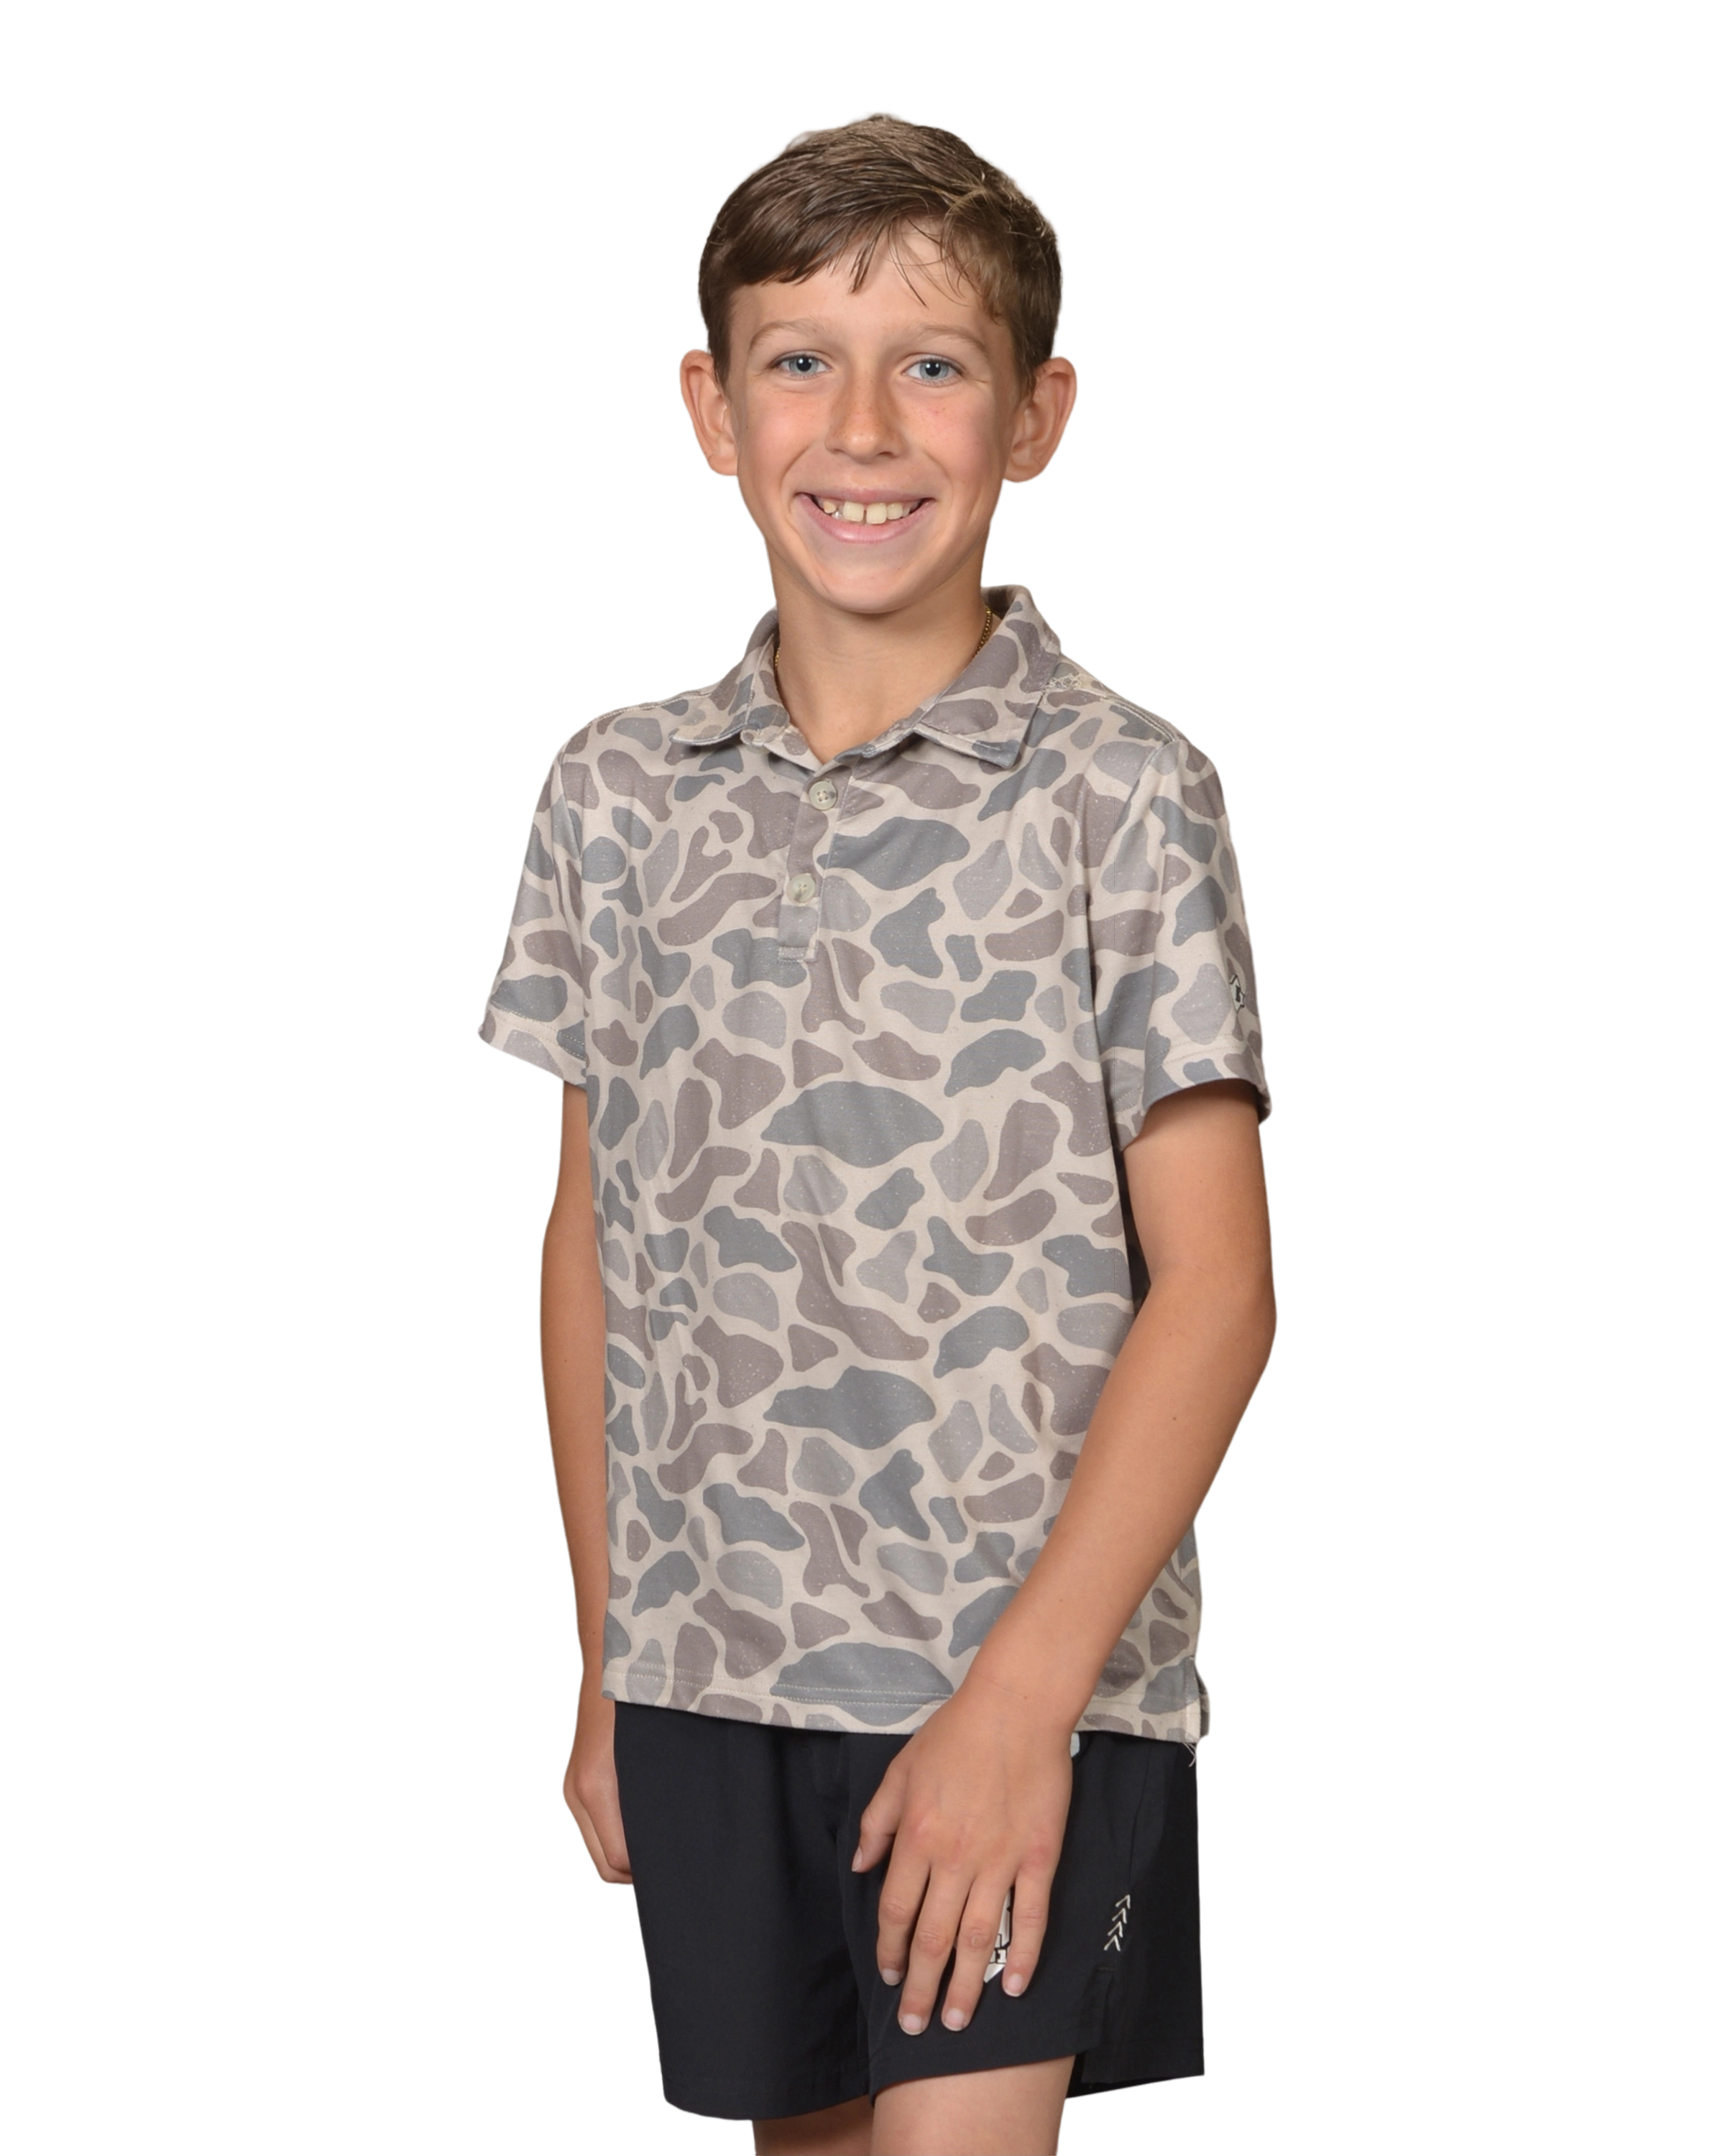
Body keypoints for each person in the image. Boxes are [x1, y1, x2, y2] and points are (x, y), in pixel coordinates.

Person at [474, 106, 1279, 2156]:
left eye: (931, 363)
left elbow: (1218, 1289)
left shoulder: (1123, 796)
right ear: (709, 409)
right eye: (797, 361)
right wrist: (615, 1657)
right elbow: (594, 1243)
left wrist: (1020, 1703)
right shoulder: (617, 792)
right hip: (713, 1677)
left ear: (1038, 417)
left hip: (1020, 1679)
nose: (860, 427)